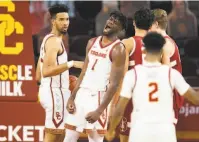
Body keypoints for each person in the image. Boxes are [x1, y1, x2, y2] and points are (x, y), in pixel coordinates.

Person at [106, 32, 199, 142]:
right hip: (164, 132)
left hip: (140, 131)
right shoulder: (171, 74)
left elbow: (119, 109)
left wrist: (111, 130)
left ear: (144, 50)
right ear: (162, 51)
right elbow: (198, 98)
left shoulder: (133, 74)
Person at [64, 11, 127, 142]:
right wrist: (72, 97)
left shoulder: (118, 49)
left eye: (115, 22)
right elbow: (84, 71)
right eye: (110, 19)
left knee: (95, 139)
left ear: (120, 29)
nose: (110, 22)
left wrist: (100, 110)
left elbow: (114, 84)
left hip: (98, 97)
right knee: (69, 137)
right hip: (82, 94)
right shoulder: (92, 42)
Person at [35, 4, 82, 142]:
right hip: (55, 94)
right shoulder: (54, 42)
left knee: (61, 136)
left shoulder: (48, 39)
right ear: (53, 21)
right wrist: (72, 64)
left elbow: (38, 75)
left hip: (53, 91)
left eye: (67, 19)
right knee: (52, 136)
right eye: (61, 19)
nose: (65, 23)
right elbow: (46, 71)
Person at [114, 8, 154, 142]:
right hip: (150, 97)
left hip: (131, 98)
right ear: (150, 25)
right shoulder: (157, 45)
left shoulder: (127, 43)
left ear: (134, 23)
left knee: (125, 138)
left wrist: (116, 102)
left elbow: (122, 75)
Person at [149, 9, 183, 124]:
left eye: (149, 24)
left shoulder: (165, 44)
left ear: (156, 24)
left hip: (168, 98)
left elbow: (165, 77)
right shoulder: (164, 42)